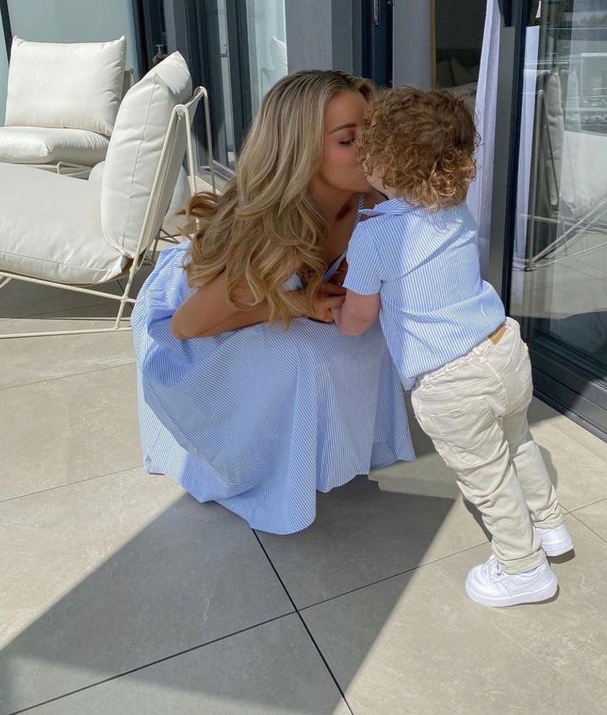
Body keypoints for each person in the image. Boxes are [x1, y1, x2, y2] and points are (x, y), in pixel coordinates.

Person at [132, 70, 414, 535]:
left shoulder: (368, 198)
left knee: (364, 336)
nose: (370, 149)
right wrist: (300, 304)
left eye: (373, 133)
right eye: (348, 140)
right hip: (189, 312)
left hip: (262, 293)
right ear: (300, 150)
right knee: (301, 357)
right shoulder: (275, 230)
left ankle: (324, 453)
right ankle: (257, 466)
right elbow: (186, 325)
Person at [332, 86, 573, 607]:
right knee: (518, 443)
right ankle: (551, 526)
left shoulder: (375, 237)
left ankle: (524, 568)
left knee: (487, 479)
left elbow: (359, 318)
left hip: (450, 382)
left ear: (384, 165)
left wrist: (335, 313)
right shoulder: (456, 211)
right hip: (503, 349)